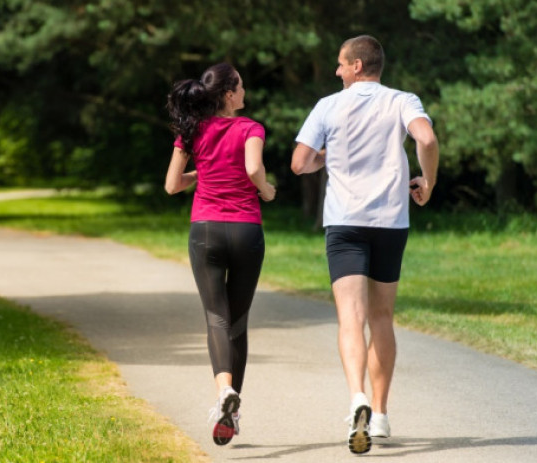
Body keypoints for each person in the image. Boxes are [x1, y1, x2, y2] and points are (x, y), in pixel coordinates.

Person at [290, 35, 439, 454]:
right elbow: (426, 140)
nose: (336, 71)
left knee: (350, 318)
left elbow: (299, 162)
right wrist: (429, 181)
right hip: (390, 222)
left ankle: (357, 397)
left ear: (357, 66)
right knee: (382, 318)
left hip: (345, 224)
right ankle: (382, 413)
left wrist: (327, 157)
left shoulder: (328, 106)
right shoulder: (401, 100)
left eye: (340, 64)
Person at [164, 62, 276, 446]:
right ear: (228, 93)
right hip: (246, 231)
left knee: (216, 317)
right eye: (240, 87)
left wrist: (203, 174)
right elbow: (252, 167)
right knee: (238, 322)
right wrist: (266, 189)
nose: (244, 92)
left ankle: (224, 392)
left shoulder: (191, 132)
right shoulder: (251, 128)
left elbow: (171, 185)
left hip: (206, 232)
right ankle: (232, 407)